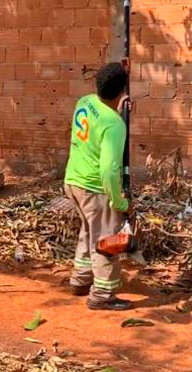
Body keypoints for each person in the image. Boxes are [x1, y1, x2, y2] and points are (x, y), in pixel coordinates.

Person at [64, 62, 133, 311]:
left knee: (89, 230)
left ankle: (80, 279)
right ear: (121, 91)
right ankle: (103, 294)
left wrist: (119, 107)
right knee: (107, 239)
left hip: (73, 181)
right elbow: (109, 171)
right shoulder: (114, 125)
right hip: (95, 188)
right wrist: (119, 201)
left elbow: (98, 117)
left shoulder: (85, 101)